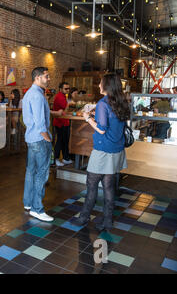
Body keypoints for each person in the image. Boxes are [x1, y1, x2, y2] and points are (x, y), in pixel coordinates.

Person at [71, 73, 129, 231]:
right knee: (109, 186)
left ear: (107, 85)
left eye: (101, 83)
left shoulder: (104, 103)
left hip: (103, 150)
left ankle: (83, 218)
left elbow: (102, 130)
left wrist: (87, 118)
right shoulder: (122, 101)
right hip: (117, 149)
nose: (99, 85)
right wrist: (94, 113)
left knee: (91, 184)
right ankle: (108, 220)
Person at [22, 67, 63, 222]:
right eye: (47, 76)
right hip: (39, 139)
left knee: (31, 171)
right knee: (41, 174)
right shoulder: (38, 96)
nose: (49, 79)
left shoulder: (30, 94)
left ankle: (28, 203)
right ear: (38, 77)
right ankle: (37, 209)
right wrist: (48, 138)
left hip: (31, 138)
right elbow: (40, 124)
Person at [53, 82, 73, 167]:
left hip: (64, 121)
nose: (68, 90)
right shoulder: (60, 97)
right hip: (60, 122)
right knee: (60, 141)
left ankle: (65, 158)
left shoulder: (64, 96)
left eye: (68, 88)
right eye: (66, 89)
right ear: (60, 89)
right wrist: (69, 103)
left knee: (65, 141)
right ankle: (56, 159)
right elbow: (65, 109)